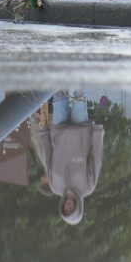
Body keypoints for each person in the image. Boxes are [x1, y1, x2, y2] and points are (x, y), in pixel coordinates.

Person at [29, 90, 104, 226]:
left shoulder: (55, 187)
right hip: (81, 131)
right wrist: (98, 134)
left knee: (59, 94)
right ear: (78, 207)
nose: (68, 206)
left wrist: (44, 132)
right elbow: (96, 158)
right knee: (79, 95)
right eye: (71, 209)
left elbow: (48, 155)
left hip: (58, 132)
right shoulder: (88, 187)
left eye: (65, 209)